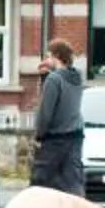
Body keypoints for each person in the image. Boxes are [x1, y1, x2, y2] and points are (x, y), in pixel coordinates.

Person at [29, 38, 85, 196]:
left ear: (56, 56)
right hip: (75, 137)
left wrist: (38, 135)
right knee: (72, 182)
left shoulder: (54, 80)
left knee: (40, 184)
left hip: (54, 139)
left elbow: (46, 112)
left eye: (48, 56)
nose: (46, 60)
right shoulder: (77, 77)